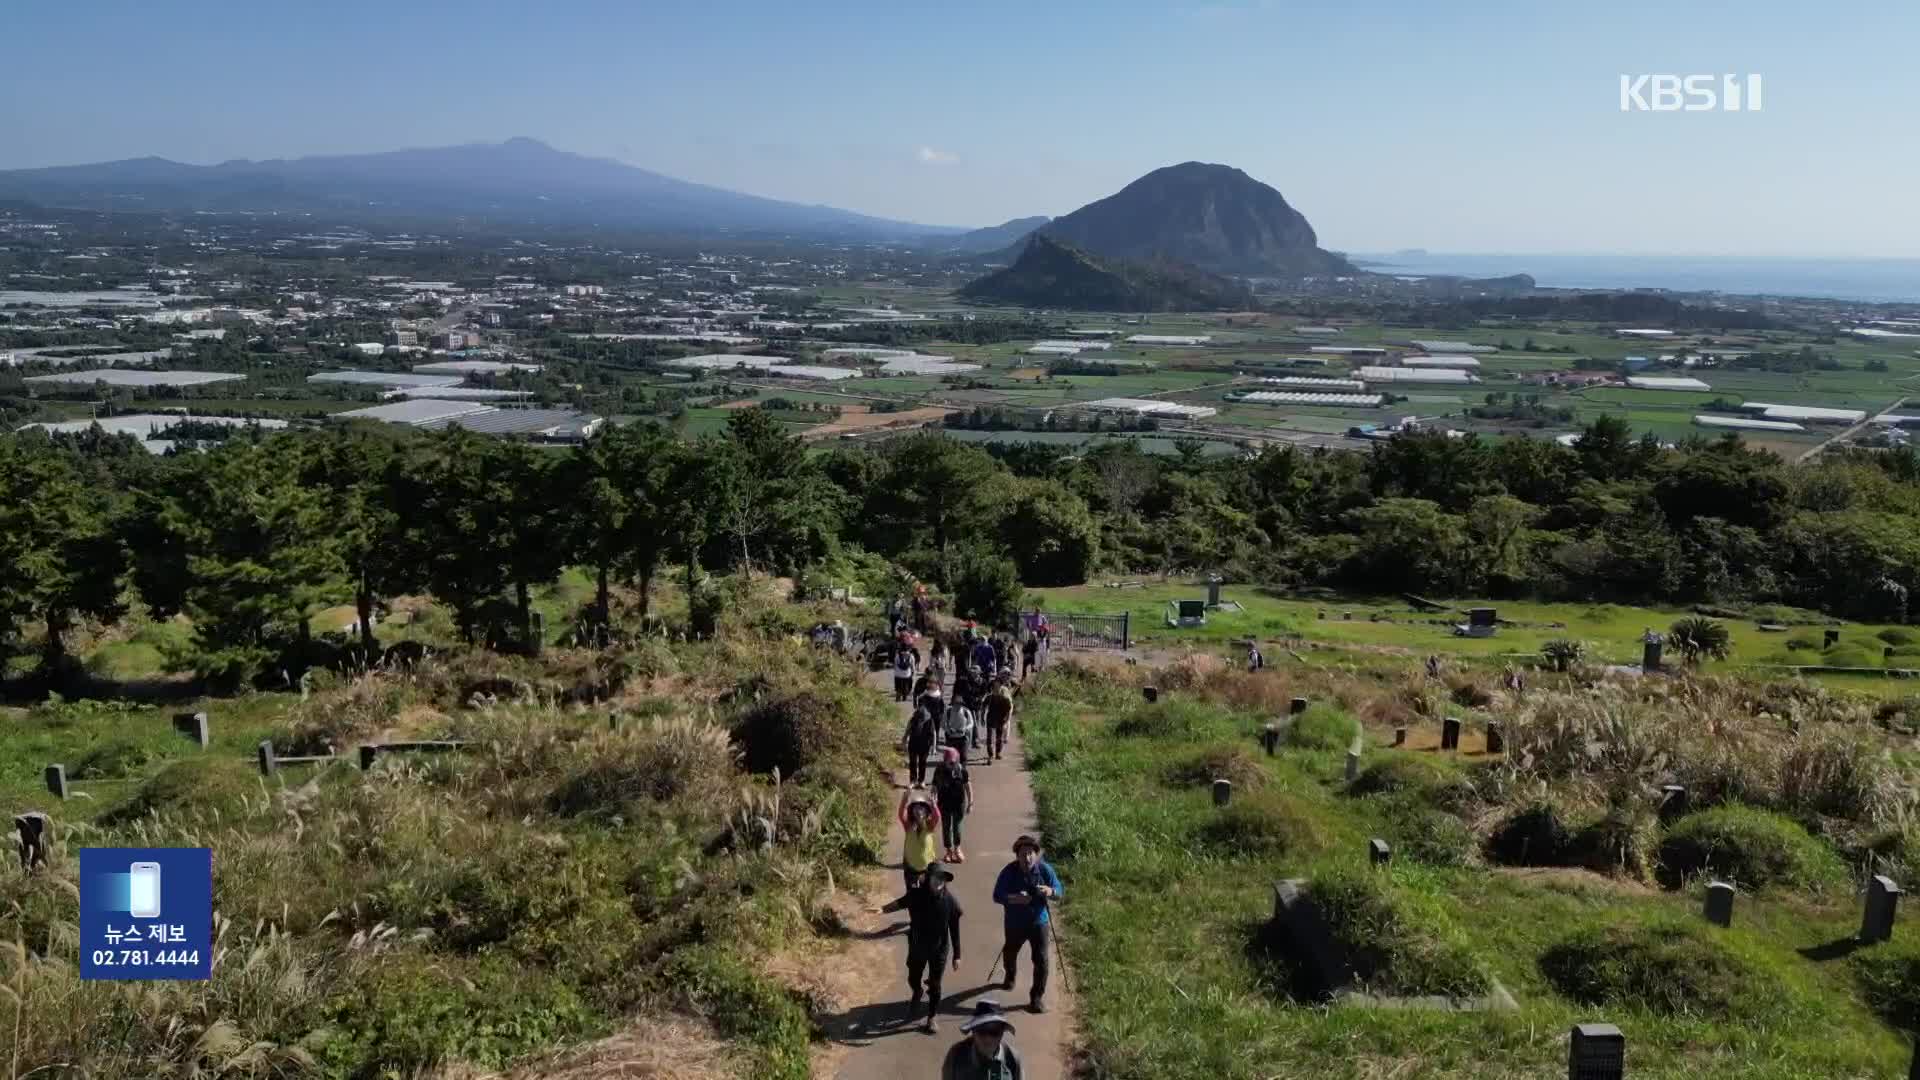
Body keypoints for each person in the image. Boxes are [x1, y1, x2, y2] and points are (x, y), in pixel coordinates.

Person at [873, 869, 963, 1034]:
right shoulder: (917, 894)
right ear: (928, 878)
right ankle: (918, 990)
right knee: (913, 977)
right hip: (917, 945)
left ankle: (932, 1017)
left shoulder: (950, 902)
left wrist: (957, 955)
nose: (939, 881)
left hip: (939, 949)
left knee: (936, 985)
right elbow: (900, 903)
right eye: (936, 877)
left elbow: (955, 929)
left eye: (943, 878)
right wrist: (882, 909)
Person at [992, 834, 1063, 1013]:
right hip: (1015, 922)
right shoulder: (1009, 871)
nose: (1027, 857)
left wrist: (1049, 891)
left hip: (1039, 922)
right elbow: (997, 895)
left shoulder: (1045, 870)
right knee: (1009, 952)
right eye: (1023, 854)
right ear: (1017, 855)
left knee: (1041, 960)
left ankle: (1036, 997)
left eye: (1031, 853)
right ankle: (1010, 975)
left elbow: (1060, 891)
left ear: (1035, 854)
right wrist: (1014, 898)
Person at [941, 1001, 1023, 1080]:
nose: (988, 1039)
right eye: (982, 1031)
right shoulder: (956, 1054)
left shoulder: (1013, 1059)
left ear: (1002, 1033)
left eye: (994, 1032)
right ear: (973, 1032)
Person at [931, 746, 973, 862]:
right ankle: (948, 851)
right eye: (948, 761)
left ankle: (957, 848)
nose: (950, 764)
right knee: (946, 827)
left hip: (958, 803)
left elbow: (968, 787)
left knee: (957, 827)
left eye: (952, 761)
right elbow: (934, 786)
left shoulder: (962, 770)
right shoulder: (939, 769)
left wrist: (971, 802)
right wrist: (933, 798)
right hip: (944, 803)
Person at [899, 791, 942, 891]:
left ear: (927, 812)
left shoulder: (929, 826)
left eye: (922, 808)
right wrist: (905, 799)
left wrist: (934, 805)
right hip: (911, 869)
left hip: (928, 869)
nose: (919, 810)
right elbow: (901, 814)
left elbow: (937, 818)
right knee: (912, 896)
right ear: (912, 811)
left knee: (929, 895)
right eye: (916, 807)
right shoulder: (908, 826)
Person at [904, 692, 940, 786]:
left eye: (923, 705)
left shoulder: (929, 719)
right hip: (913, 743)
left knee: (922, 763)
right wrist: (904, 740)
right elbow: (908, 728)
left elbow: (934, 733)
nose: (921, 708)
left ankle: (921, 781)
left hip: (925, 744)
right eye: (920, 705)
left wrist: (934, 747)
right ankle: (913, 781)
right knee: (913, 762)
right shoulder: (914, 717)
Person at [982, 676, 1013, 763]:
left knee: (999, 738)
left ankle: (998, 753)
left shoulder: (1005, 698)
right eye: (994, 687)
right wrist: (982, 717)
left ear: (1000, 687)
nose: (996, 688)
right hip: (990, 719)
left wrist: (1007, 720)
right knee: (990, 738)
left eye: (998, 686)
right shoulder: (990, 697)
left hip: (1000, 720)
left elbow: (1009, 709)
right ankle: (990, 755)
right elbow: (983, 707)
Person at [942, 693, 975, 764]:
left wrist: (965, 729)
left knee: (963, 757)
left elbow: (971, 723)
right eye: (956, 704)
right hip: (951, 739)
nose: (958, 706)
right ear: (953, 703)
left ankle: (962, 772)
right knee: (950, 758)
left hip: (963, 738)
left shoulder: (966, 712)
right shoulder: (948, 712)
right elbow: (943, 724)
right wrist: (948, 730)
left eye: (960, 704)